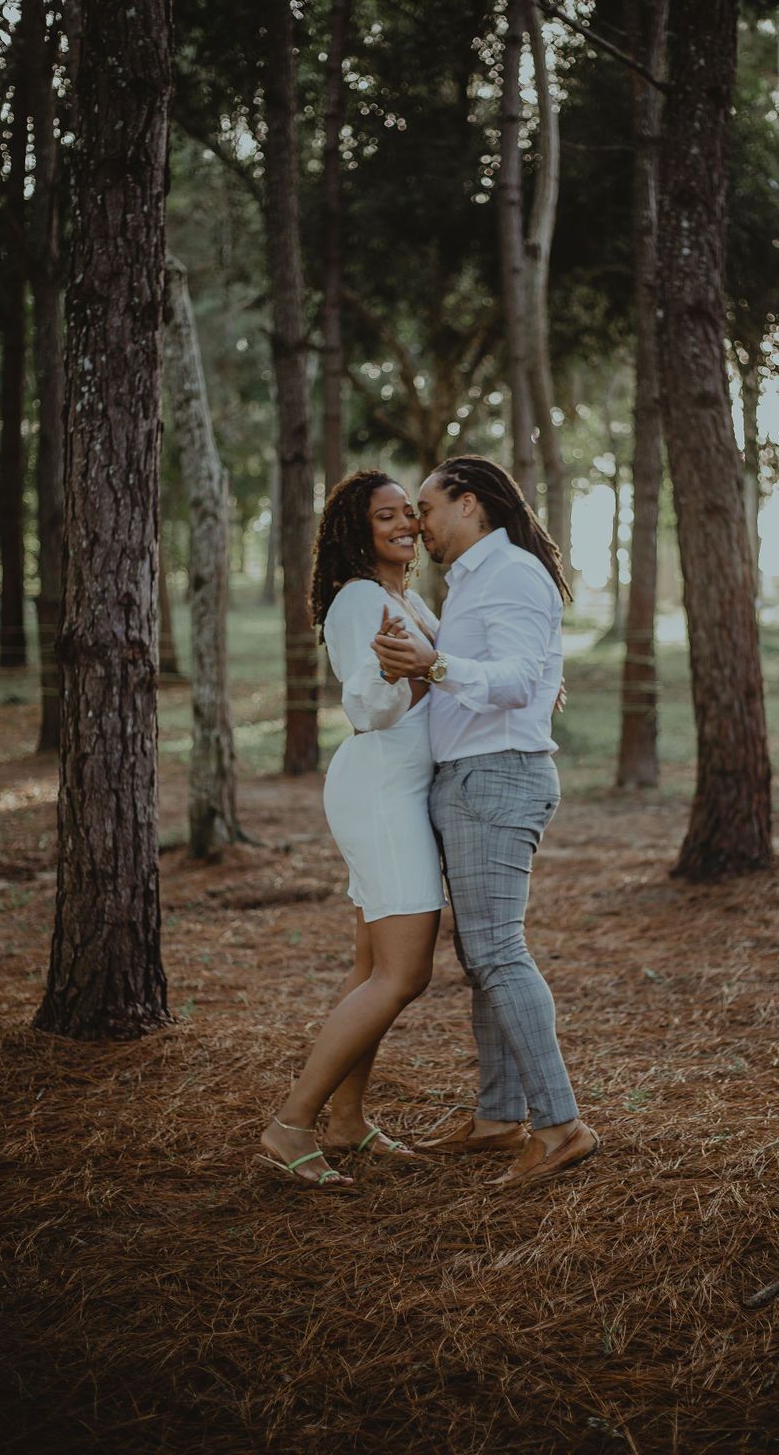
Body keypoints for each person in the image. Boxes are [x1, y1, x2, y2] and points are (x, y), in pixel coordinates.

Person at [372, 455, 598, 1188]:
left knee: (498, 953)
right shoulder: (475, 579)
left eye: (428, 508)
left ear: (469, 505)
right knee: (483, 959)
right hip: (476, 775)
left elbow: (517, 678)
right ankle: (501, 1118)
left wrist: (435, 666)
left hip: (495, 778)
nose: (418, 524)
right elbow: (526, 670)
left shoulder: (510, 572)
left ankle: (560, 1126)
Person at [256, 471, 445, 1189]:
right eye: (386, 517)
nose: (405, 525)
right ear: (355, 532)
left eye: (411, 514)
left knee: (373, 969)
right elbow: (365, 706)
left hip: (394, 788)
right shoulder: (361, 599)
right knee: (405, 972)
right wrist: (402, 672)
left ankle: (345, 1121)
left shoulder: (403, 596)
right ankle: (291, 1124)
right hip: (383, 792)